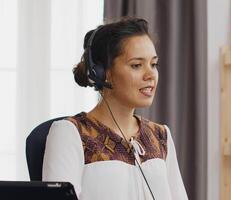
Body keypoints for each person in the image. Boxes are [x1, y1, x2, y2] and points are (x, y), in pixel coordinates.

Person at [42, 17, 188, 200]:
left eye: (153, 64)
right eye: (136, 65)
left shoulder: (160, 136)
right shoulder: (71, 134)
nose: (151, 74)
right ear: (104, 72)